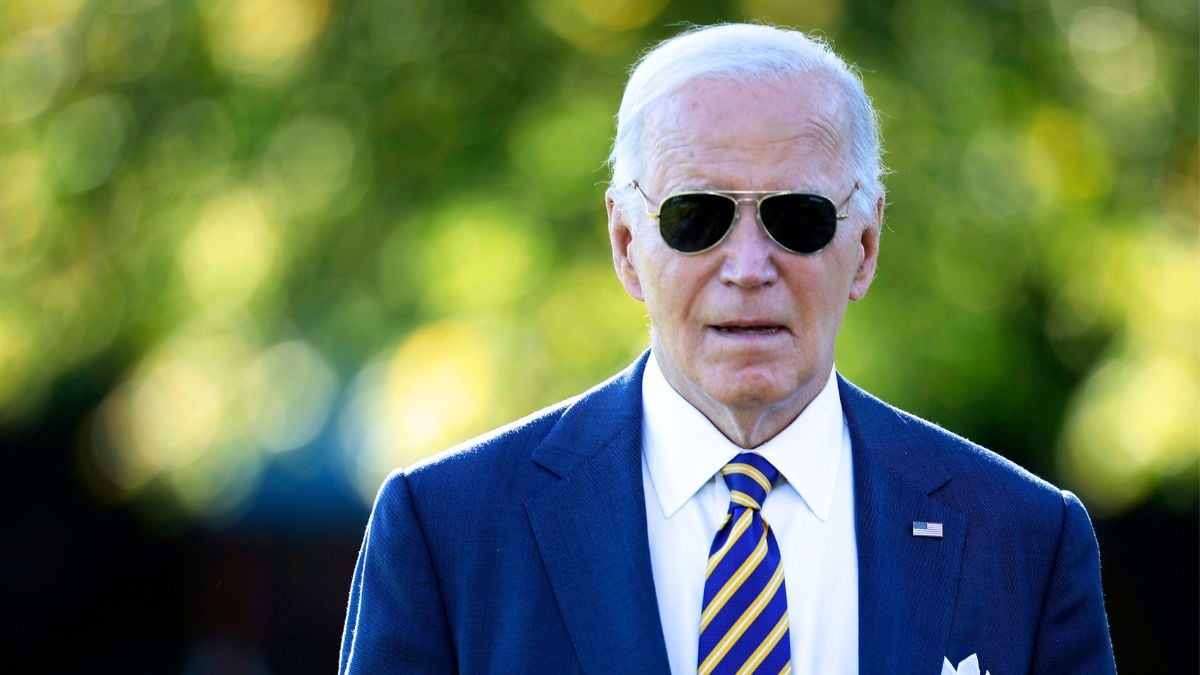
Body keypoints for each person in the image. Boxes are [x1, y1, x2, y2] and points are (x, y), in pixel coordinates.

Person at [338, 23, 1116, 674]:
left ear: (868, 244)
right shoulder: (447, 533)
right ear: (623, 242)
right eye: (696, 217)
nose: (748, 267)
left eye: (798, 217)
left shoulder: (1023, 539)